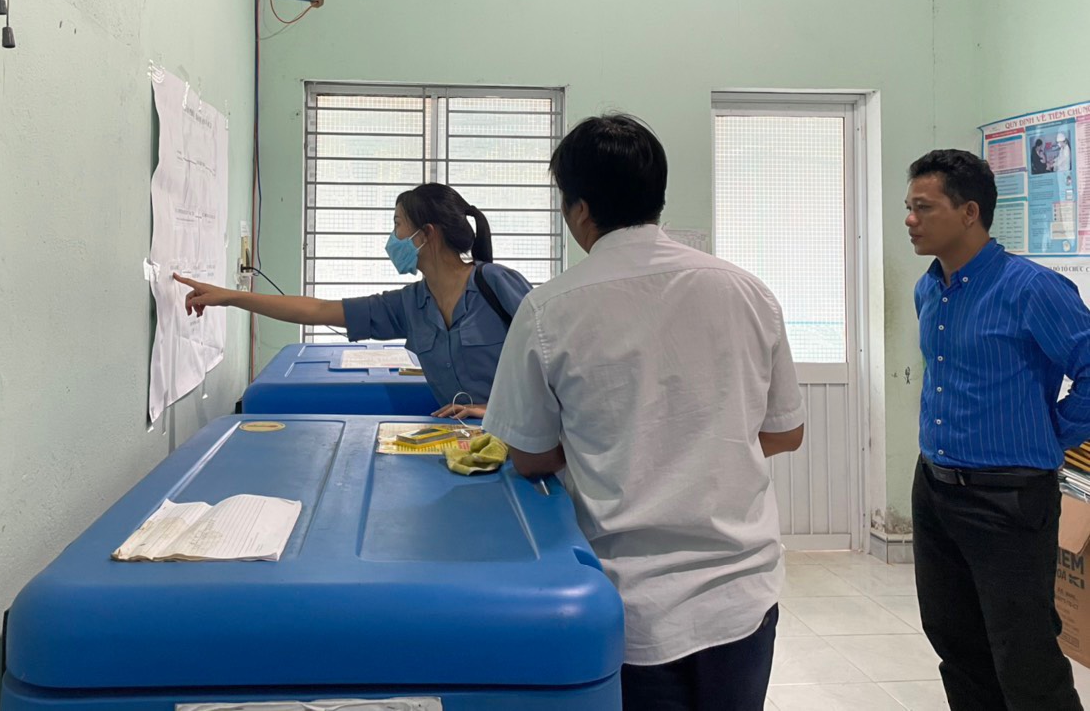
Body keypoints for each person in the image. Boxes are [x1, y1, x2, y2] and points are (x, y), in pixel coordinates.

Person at [482, 114, 805, 711]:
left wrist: (607, 445)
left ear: (580, 210)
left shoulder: (550, 309)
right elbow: (786, 432)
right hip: (742, 594)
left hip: (629, 603)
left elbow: (527, 456)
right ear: (657, 197)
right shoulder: (746, 290)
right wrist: (706, 440)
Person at [904, 149, 1090, 711]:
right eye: (908, 207)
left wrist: (1052, 433)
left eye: (923, 207)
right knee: (955, 642)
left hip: (1008, 497)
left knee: (1024, 654)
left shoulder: (1032, 288)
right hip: (935, 487)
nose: (910, 219)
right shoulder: (929, 289)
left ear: (969, 212)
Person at [173, 183, 532, 418]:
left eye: (398, 224)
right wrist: (231, 297)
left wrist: (491, 411)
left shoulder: (494, 283)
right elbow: (318, 310)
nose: (393, 237)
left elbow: (551, 361)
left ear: (427, 235)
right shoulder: (411, 304)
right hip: (465, 448)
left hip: (524, 442)